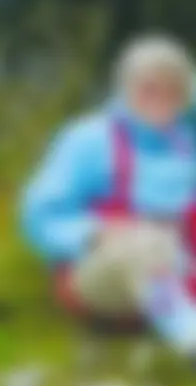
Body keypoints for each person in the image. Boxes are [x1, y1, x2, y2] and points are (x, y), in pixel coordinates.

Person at [21, 34, 196, 357]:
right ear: (126, 88)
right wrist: (98, 231)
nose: (160, 99)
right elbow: (39, 216)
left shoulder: (187, 143)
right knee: (147, 242)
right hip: (98, 271)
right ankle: (187, 334)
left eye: (172, 90)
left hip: (183, 266)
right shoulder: (88, 140)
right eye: (149, 88)